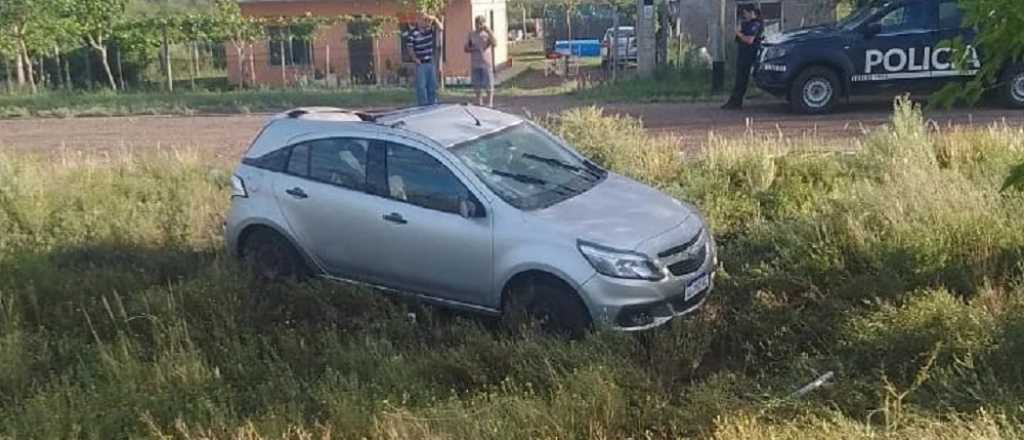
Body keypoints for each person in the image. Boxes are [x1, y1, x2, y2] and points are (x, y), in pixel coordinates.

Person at [722, 6, 763, 110]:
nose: (744, 16)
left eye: (745, 14)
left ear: (751, 12)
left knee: (742, 79)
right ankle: (735, 101)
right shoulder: (747, 24)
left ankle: (736, 101)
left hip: (749, 55)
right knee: (739, 79)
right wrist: (740, 29)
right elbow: (738, 40)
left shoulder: (755, 24)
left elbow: (749, 40)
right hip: (743, 54)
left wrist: (739, 33)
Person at [406, 13, 444, 106]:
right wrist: (415, 59)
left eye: (426, 20)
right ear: (418, 21)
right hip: (420, 63)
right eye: (423, 20)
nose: (426, 22)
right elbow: (409, 48)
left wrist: (434, 18)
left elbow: (441, 28)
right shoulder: (412, 33)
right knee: (421, 87)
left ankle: (432, 104)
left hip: (430, 62)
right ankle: (422, 106)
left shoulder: (430, 30)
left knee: (432, 86)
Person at [465, 15, 497, 107]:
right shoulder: (471, 34)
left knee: (488, 84)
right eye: (476, 23)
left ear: (483, 23)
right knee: (477, 85)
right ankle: (479, 102)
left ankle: (489, 103)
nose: (478, 26)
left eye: (480, 24)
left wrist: (489, 31)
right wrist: (471, 48)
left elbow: (495, 43)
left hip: (486, 63)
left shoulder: (488, 34)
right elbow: (466, 48)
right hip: (475, 63)